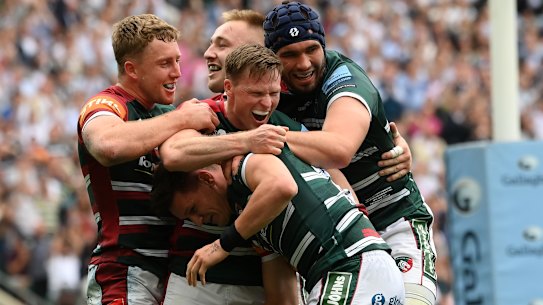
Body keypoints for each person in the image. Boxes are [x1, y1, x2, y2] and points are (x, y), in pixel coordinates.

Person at [262, 2, 437, 305]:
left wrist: (263, 138)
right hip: (337, 242)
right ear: (272, 58)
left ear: (324, 46)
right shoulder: (267, 92)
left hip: (395, 220)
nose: (303, 63)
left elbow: (339, 150)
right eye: (289, 54)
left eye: (311, 50)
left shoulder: (345, 77)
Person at [76, 14, 220, 305]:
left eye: (178, 60)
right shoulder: (106, 105)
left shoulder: (167, 115)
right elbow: (108, 145)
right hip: (125, 271)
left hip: (175, 276)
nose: (178, 72)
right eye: (165, 63)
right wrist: (181, 119)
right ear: (132, 69)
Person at [159, 10, 292, 305]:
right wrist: (247, 141)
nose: (208, 53)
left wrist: (395, 147)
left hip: (261, 281)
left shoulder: (287, 118)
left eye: (222, 44)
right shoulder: (202, 112)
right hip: (194, 282)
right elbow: (173, 154)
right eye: (211, 43)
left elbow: (339, 154)